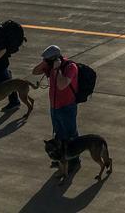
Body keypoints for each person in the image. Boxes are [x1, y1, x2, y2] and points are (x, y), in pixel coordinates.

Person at [32, 45, 80, 174]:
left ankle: (75, 161)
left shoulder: (70, 67)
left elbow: (62, 85)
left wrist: (57, 69)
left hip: (67, 107)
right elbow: (35, 72)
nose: (46, 62)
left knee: (71, 135)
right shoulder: (50, 66)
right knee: (59, 135)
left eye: (47, 60)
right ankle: (61, 159)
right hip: (54, 106)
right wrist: (45, 63)